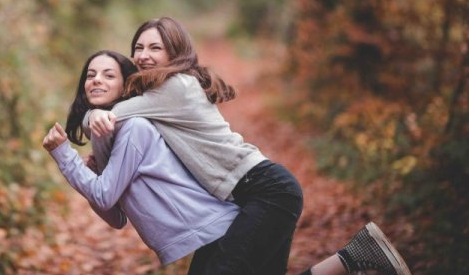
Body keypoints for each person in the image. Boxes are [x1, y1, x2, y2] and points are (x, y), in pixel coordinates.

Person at [79, 17, 412, 275]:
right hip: (258, 193)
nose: (143, 56)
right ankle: (354, 256)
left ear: (174, 52)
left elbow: (112, 116)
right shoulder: (162, 94)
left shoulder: (174, 88)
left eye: (155, 48)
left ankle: (353, 258)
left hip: (266, 192)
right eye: (138, 48)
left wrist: (90, 113)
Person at [43, 50, 241, 267]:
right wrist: (88, 175)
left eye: (108, 75)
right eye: (91, 75)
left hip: (222, 231)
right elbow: (116, 218)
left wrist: (64, 155)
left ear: (125, 86)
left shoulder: (134, 127)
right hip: (212, 235)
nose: (97, 79)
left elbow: (103, 196)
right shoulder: (109, 135)